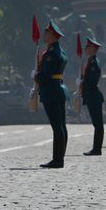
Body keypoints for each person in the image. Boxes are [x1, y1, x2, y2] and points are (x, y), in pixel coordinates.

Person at [35, 20, 68, 168]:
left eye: (47, 33)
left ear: (53, 35)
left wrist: (36, 76)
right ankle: (60, 156)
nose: (44, 35)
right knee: (61, 125)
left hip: (51, 90)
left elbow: (46, 75)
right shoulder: (59, 51)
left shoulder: (51, 53)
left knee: (57, 127)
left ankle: (57, 159)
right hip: (58, 89)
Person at [81, 37, 104, 156]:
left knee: (98, 124)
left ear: (93, 49)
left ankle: (97, 149)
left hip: (93, 95)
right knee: (96, 124)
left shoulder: (94, 62)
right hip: (92, 95)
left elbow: (92, 81)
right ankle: (96, 148)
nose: (85, 48)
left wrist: (83, 83)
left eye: (87, 46)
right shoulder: (90, 61)